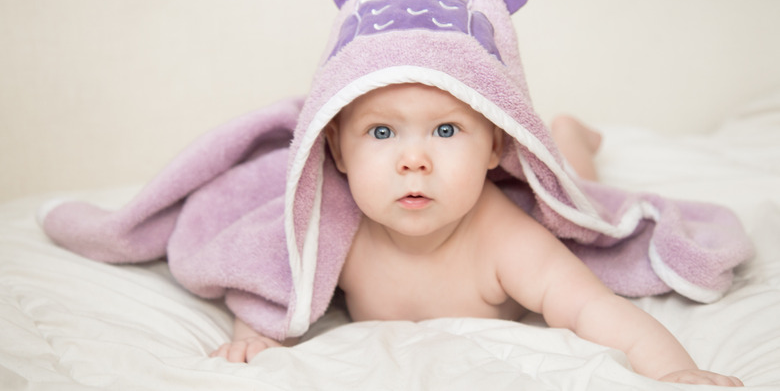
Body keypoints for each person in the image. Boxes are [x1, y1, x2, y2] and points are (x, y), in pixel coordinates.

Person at [211, 83, 743, 387]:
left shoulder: (504, 239)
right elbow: (267, 276)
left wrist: (676, 372)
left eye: (446, 130)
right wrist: (252, 334)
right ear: (337, 150)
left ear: (493, 146)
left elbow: (587, 308)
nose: (413, 160)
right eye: (381, 131)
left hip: (522, 204)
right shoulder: (333, 226)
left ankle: (568, 137)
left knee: (581, 194)